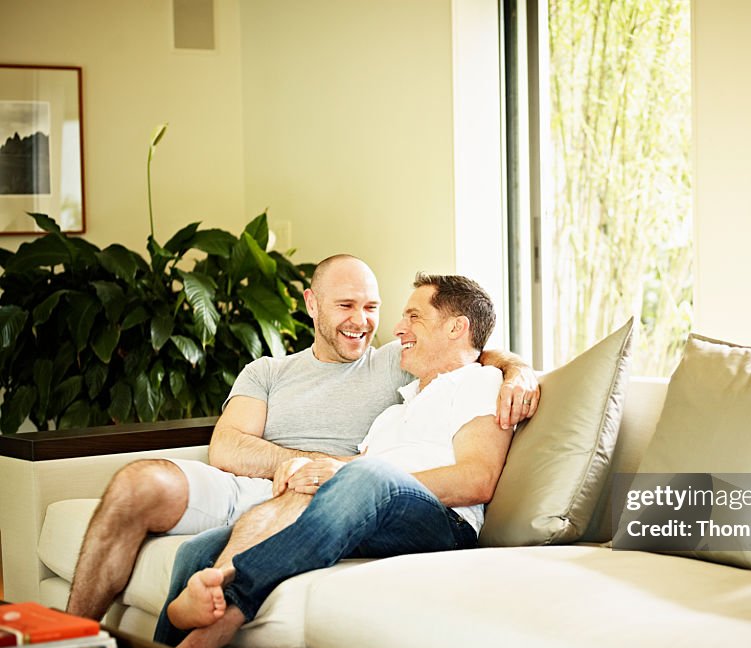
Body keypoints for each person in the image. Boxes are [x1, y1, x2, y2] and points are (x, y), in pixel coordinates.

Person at [66, 257, 538, 620]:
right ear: (312, 303)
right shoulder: (268, 372)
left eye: (371, 307)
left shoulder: (398, 360)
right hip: (254, 484)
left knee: (213, 547)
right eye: (346, 306)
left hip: (333, 493)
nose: (363, 321)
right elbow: (227, 446)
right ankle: (70, 642)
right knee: (136, 484)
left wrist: (518, 374)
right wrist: (295, 463)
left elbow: (470, 351)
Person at [153, 274, 513, 648]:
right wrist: (313, 468)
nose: (397, 328)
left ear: (457, 328)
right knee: (200, 548)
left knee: (364, 475)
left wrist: (351, 475)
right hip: (374, 508)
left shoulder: (480, 383)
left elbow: (478, 478)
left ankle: (222, 609)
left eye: (414, 317)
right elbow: (355, 472)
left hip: (444, 523)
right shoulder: (395, 411)